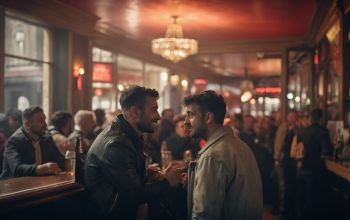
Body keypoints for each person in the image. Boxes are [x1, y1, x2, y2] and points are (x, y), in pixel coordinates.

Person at [84, 86, 180, 219]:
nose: (158, 117)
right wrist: (168, 182)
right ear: (135, 112)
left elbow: (124, 182)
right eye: (154, 110)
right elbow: (135, 194)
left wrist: (146, 175)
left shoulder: (127, 135)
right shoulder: (117, 144)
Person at [184, 90, 263, 220]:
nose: (186, 121)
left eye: (191, 115)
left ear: (208, 117)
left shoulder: (213, 156)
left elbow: (204, 215)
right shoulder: (239, 145)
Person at [1, 106, 65, 179]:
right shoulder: (14, 141)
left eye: (44, 120)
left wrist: (72, 159)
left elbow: (61, 161)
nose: (45, 124)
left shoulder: (47, 138)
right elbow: (17, 169)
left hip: (38, 185)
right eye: (41, 121)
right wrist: (39, 169)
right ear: (27, 125)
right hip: (13, 187)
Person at [297, 108, 332, 220]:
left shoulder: (304, 131)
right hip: (316, 170)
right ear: (321, 118)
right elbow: (327, 151)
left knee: (304, 198)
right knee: (313, 201)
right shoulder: (322, 131)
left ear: (311, 118)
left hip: (303, 167)